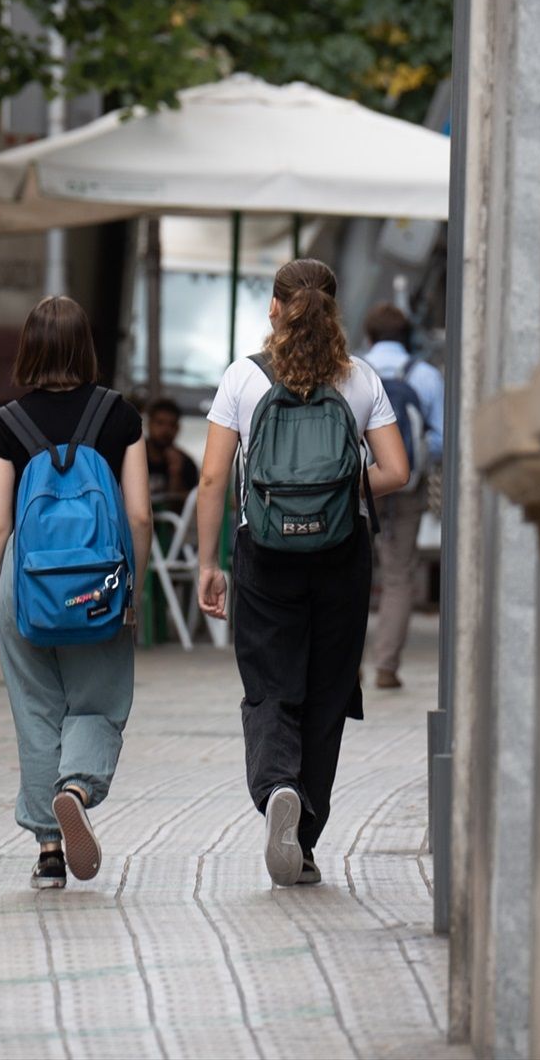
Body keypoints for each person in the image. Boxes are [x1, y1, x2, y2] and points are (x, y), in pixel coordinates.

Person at [196, 259, 408, 888]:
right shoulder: (360, 377)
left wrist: (209, 563)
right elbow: (395, 470)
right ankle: (306, 842)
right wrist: (337, 494)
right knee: (327, 691)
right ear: (332, 308)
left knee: (269, 684)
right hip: (343, 552)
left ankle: (277, 788)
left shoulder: (243, 377)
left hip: (261, 551)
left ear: (274, 307)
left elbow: (212, 478)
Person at [0, 297, 152, 889]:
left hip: (25, 588)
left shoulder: (7, 423)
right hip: (99, 587)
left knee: (36, 712)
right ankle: (76, 786)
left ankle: (49, 848)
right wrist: (134, 589)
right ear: (86, 347)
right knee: (98, 704)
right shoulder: (119, 416)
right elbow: (140, 515)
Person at [361, 303, 445, 690]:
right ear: (408, 336)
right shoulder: (426, 376)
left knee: (352, 570)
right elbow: (441, 439)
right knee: (398, 576)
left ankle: (347, 667)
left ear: (370, 336)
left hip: (358, 486)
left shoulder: (352, 369)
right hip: (407, 486)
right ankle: (386, 666)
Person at [144, 397, 199, 509]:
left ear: (178, 428)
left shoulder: (186, 463)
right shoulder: (133, 456)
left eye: (172, 425)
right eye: (160, 423)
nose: (166, 430)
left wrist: (175, 474)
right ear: (148, 424)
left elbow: (185, 508)